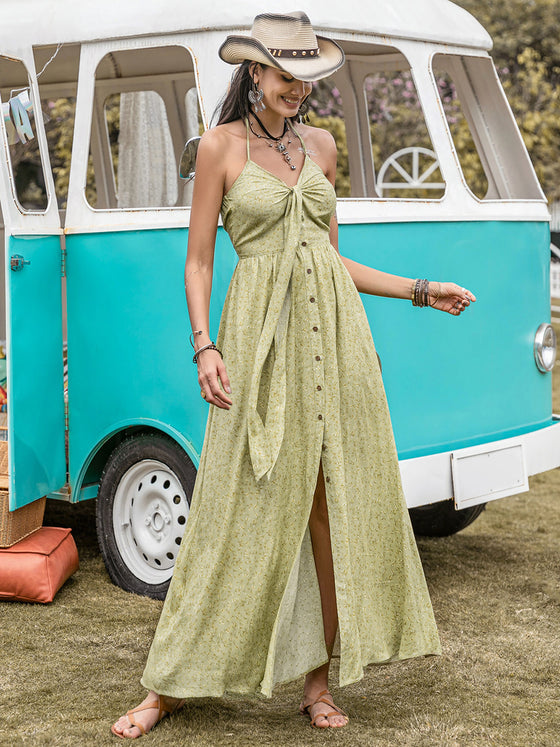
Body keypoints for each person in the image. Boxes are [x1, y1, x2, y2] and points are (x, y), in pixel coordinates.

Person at [111, 10, 475, 739]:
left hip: (335, 339)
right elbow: (199, 260)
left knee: (326, 513)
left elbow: (328, 255)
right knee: (230, 511)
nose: (297, 91)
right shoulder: (218, 147)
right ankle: (170, 682)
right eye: (285, 76)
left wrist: (418, 288)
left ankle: (316, 682)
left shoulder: (321, 146)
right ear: (253, 70)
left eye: (306, 79)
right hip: (256, 340)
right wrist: (204, 344)